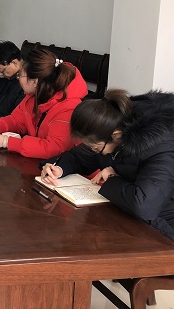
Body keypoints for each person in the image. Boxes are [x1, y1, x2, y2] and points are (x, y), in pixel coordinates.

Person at [40, 89, 174, 240]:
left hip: (163, 228)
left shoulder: (161, 146)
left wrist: (111, 178)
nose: (94, 151)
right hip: (128, 216)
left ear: (116, 135)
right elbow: (79, 156)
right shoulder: (110, 127)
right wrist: (58, 168)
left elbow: (143, 204)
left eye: (96, 148)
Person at [0, 49, 87, 159]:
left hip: (63, 166)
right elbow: (16, 120)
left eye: (20, 75)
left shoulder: (68, 107)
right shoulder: (33, 96)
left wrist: (7, 142)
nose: (18, 79)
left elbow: (53, 148)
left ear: (35, 82)